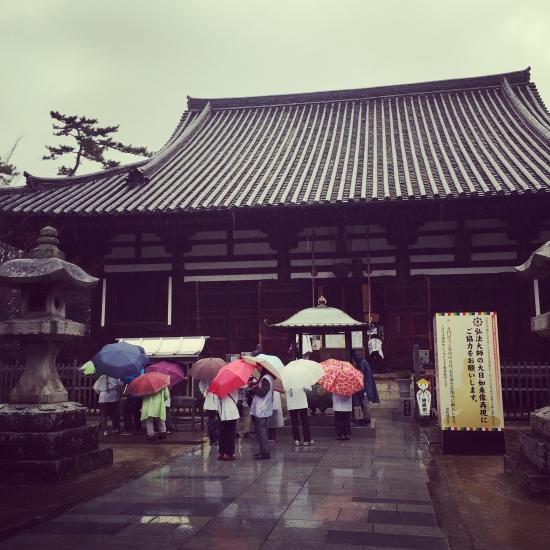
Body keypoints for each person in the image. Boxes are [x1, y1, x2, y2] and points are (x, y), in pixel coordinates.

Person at [249, 365, 274, 460]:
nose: (257, 368)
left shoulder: (266, 378)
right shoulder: (266, 377)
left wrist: (254, 388)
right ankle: (263, 450)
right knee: (261, 429)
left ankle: (265, 452)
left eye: (258, 366)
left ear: (263, 367)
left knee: (261, 430)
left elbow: (263, 392)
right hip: (263, 407)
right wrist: (254, 384)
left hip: (262, 408)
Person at [351, 350, 380, 425]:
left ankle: (367, 418)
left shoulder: (362, 363)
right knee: (364, 402)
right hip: (365, 386)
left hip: (365, 387)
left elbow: (360, 374)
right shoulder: (363, 362)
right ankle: (365, 417)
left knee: (365, 402)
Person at [217, 388, 240, 461]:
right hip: (230, 410)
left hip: (222, 410)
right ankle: (228, 453)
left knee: (222, 432)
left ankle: (221, 452)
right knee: (230, 432)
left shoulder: (220, 385)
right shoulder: (233, 383)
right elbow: (244, 386)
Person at [199, 378, 219, 445]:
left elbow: (202, 391)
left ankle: (214, 439)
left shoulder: (205, 377)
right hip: (218, 399)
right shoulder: (220, 375)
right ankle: (216, 437)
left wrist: (207, 390)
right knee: (216, 420)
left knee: (212, 420)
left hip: (211, 400)